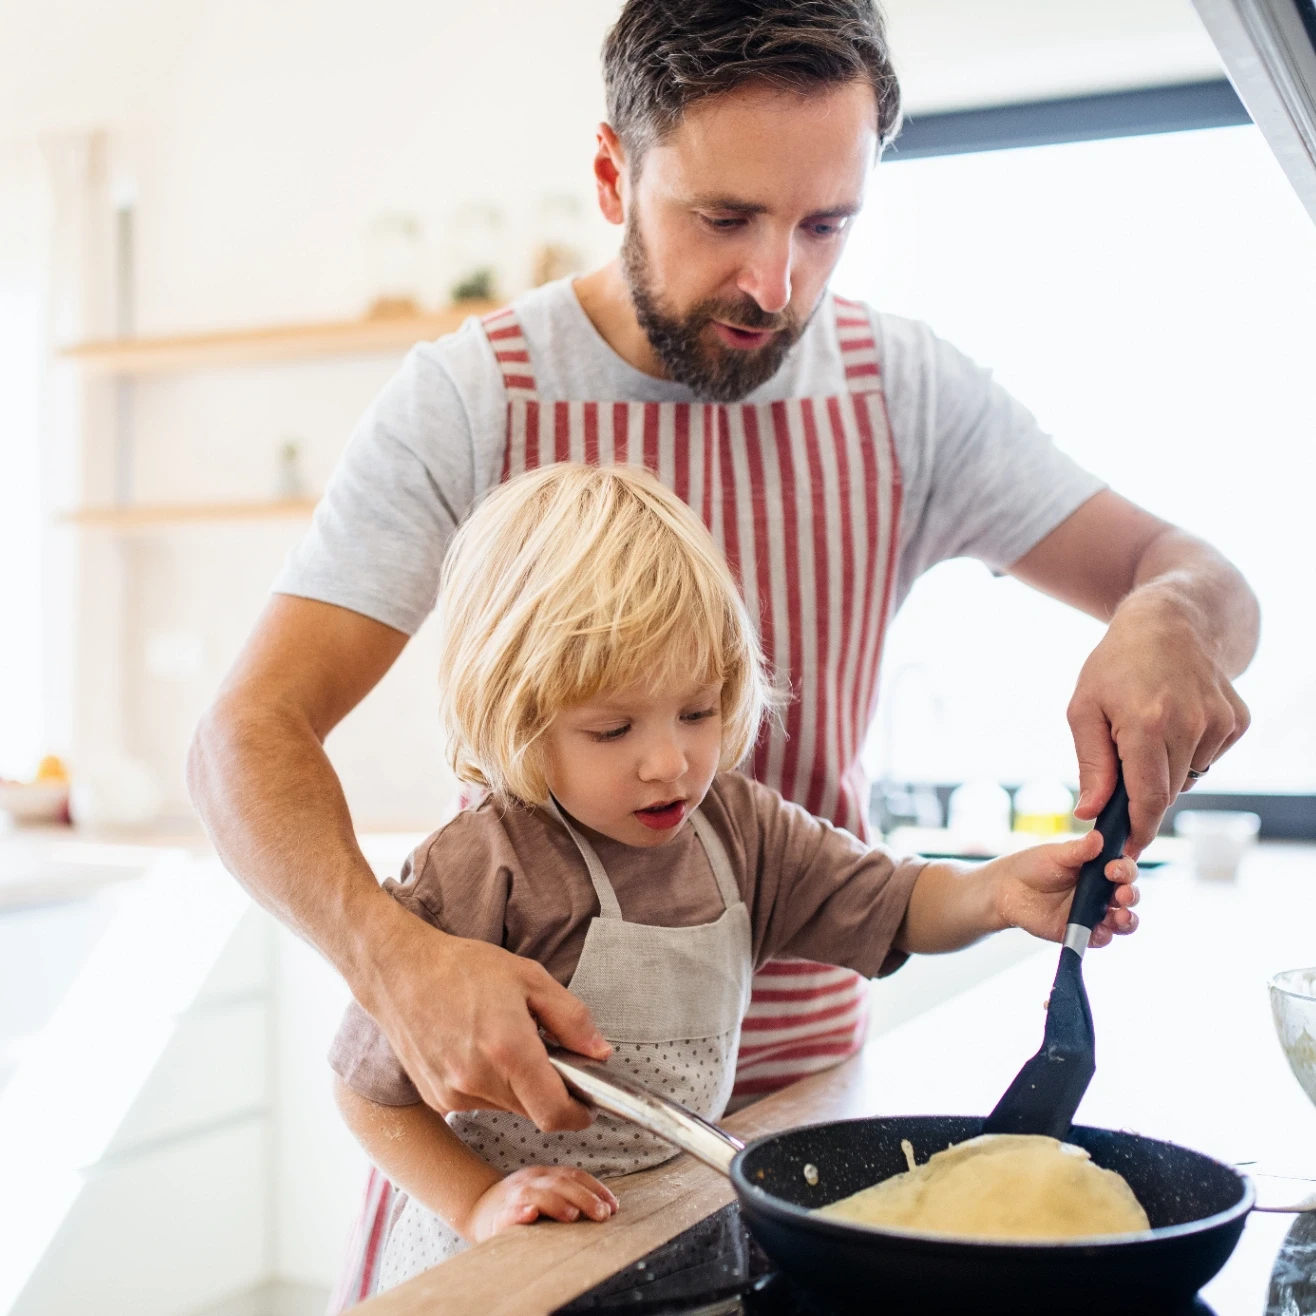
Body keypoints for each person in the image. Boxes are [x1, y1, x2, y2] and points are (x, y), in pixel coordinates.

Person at [188, 0, 1256, 1144]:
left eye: (824, 224)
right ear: (611, 175)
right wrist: (392, 954)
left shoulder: (904, 393)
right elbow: (244, 734)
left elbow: (1194, 572)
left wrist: (1169, 616)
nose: (774, 283)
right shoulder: (474, 397)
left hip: (804, 1110)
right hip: (528, 1125)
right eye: (724, 216)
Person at [327, 462, 1141, 1297]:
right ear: (518, 717)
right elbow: (369, 1094)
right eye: (612, 729)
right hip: (495, 1261)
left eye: (698, 711)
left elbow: (894, 904)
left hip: (659, 1228)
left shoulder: (740, 832)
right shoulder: (483, 865)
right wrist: (480, 1203)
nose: (670, 762)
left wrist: (998, 892)